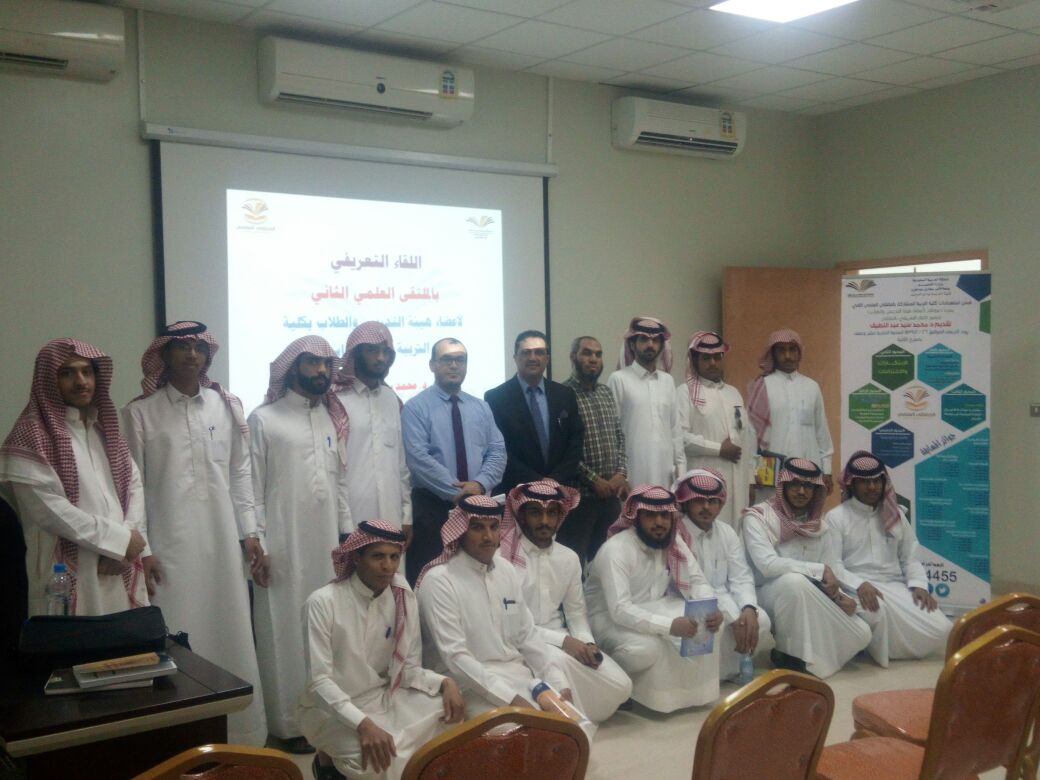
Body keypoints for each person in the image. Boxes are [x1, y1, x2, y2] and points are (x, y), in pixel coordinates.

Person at [122, 321, 266, 745]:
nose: (191, 355)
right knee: (179, 629)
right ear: (164, 355)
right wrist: (144, 549)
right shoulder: (140, 412)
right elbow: (132, 485)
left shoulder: (226, 405)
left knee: (229, 627)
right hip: (169, 545)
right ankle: (179, 739)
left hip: (222, 542)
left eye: (198, 348)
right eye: (181, 347)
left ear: (207, 355)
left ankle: (240, 735)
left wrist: (250, 531)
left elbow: (240, 473)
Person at [248, 335, 353, 752]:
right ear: (292, 367)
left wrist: (346, 534)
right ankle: (288, 725)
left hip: (326, 545)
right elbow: (252, 488)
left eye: (327, 363)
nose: (321, 371)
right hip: (282, 546)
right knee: (284, 630)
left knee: (325, 630)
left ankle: (326, 719)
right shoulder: (264, 419)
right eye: (312, 363)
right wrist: (258, 542)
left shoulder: (330, 417)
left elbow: (339, 482)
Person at [298, 520, 465, 780]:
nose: (388, 566)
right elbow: (319, 683)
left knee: (450, 719)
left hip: (381, 697)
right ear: (356, 557)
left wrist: (445, 682)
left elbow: (408, 669)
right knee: (378, 762)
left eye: (394, 557)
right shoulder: (322, 603)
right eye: (378, 557)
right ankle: (327, 766)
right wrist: (363, 724)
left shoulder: (401, 596)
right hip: (327, 709)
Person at [415, 495, 591, 738]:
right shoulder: (439, 581)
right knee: (519, 736)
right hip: (468, 684)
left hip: (517, 675)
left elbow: (527, 635)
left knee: (575, 730)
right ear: (461, 531)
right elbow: (455, 657)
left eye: (493, 527)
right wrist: (513, 700)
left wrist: (558, 682)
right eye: (477, 528)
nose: (488, 537)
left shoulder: (506, 570)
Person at [0, 339, 149, 616]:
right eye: (67, 373)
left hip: (117, 566)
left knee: (122, 640)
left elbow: (134, 486)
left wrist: (126, 546)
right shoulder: (31, 435)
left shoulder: (104, 431)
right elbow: (48, 510)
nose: (81, 382)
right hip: (65, 571)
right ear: (49, 380)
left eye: (87, 372)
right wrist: (118, 541)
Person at [499, 479, 632, 722]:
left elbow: (576, 614)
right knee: (559, 665)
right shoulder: (503, 559)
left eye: (552, 513)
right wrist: (564, 642)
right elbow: (511, 624)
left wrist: (587, 643)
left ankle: (562, 712)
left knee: (622, 686)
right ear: (521, 515)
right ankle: (564, 717)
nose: (544, 521)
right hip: (518, 643)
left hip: (560, 638)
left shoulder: (569, 557)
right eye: (536, 513)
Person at [585, 485, 721, 713]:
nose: (659, 522)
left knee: (705, 624)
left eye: (665, 515)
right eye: (650, 515)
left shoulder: (672, 541)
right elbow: (620, 609)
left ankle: (687, 696)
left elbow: (697, 581)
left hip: (653, 607)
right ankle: (613, 683)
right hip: (607, 620)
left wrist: (710, 608)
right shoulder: (616, 549)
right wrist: (669, 626)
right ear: (636, 517)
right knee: (646, 649)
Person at [742, 458, 871, 678]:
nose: (801, 491)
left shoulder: (820, 526)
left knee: (862, 633)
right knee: (794, 582)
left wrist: (841, 597)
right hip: (765, 594)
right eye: (795, 484)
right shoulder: (758, 517)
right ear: (783, 485)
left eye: (808, 486)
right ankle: (788, 655)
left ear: (816, 490)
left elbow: (831, 572)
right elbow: (768, 565)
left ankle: (813, 657)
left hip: (810, 594)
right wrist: (818, 570)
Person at [826, 451, 952, 667]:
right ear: (852, 484)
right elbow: (833, 565)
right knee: (877, 610)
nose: (872, 487)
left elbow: (910, 556)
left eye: (877, 481)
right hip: (854, 585)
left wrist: (919, 585)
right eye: (865, 482)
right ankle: (872, 644)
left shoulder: (895, 514)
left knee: (942, 629)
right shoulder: (836, 517)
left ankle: (878, 645)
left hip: (894, 585)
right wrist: (859, 584)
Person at [401, 338, 506, 584]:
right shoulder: (415, 408)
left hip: (478, 508)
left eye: (460, 360)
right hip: (433, 509)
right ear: (432, 365)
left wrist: (479, 484)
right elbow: (418, 458)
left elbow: (498, 451)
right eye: (446, 359)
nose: (454, 365)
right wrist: (459, 492)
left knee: (476, 579)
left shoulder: (481, 407)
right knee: (431, 579)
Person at [675, 467, 773, 682]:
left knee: (761, 620)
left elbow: (741, 576)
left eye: (713, 501)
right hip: (689, 602)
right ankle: (706, 679)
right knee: (708, 625)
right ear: (686, 502)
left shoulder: (726, 532)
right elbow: (689, 586)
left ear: (721, 504)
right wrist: (730, 617)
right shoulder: (676, 534)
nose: (706, 507)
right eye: (699, 500)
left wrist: (748, 608)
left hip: (725, 598)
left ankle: (732, 671)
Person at [334, 322, 411, 539]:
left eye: (386, 352)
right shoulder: (334, 399)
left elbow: (401, 464)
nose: (380, 358)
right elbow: (334, 468)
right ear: (356, 354)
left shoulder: (391, 399)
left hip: (391, 513)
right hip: (350, 513)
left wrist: (407, 515)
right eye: (372, 351)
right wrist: (344, 523)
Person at [484, 330, 583, 493]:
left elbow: (575, 442)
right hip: (516, 490)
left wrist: (555, 480)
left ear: (547, 358)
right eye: (526, 353)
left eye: (539, 352)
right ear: (515, 358)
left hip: (560, 490)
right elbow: (500, 450)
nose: (533, 358)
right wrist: (539, 482)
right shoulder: (496, 398)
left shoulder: (565, 394)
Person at [675, 331, 757, 532]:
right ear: (694, 360)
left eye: (717, 357)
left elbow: (747, 439)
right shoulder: (684, 393)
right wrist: (719, 449)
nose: (713, 363)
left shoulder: (733, 393)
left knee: (735, 534)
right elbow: (680, 439)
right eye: (706, 358)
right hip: (705, 485)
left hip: (738, 482)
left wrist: (751, 479)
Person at [561, 336, 628, 564]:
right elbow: (563, 448)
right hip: (581, 500)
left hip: (611, 498)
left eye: (598, 354)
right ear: (573, 357)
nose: (593, 359)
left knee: (608, 562)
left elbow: (619, 435)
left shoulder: (606, 393)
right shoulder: (562, 394)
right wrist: (594, 480)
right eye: (587, 353)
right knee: (574, 563)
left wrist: (621, 473)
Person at [746, 329, 834, 496]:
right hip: (771, 472)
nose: (788, 356)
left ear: (799, 353)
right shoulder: (762, 386)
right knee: (771, 510)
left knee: (805, 510)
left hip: (809, 469)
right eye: (781, 350)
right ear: (773, 354)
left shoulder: (812, 387)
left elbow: (822, 431)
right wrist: (752, 471)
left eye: (792, 350)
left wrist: (827, 469)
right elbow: (751, 433)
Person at [607, 317, 684, 489]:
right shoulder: (618, 379)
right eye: (644, 339)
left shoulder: (668, 381)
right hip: (631, 474)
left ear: (662, 346)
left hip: (666, 474)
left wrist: (681, 470)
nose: (650, 345)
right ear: (632, 344)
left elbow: (676, 431)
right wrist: (619, 476)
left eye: (655, 340)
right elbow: (611, 433)